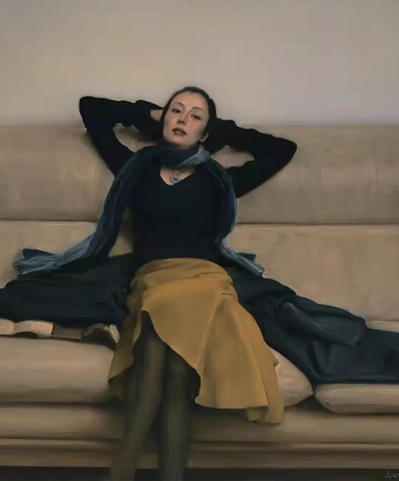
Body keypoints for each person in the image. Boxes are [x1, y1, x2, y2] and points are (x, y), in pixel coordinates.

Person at [78, 86, 297, 481]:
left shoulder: (219, 179)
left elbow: (282, 150)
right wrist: (151, 114)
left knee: (173, 361)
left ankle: (124, 467)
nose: (182, 119)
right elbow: (91, 110)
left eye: (195, 116)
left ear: (204, 132)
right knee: (164, 344)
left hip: (204, 281)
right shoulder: (135, 169)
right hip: (153, 280)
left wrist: (221, 130)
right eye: (176, 111)